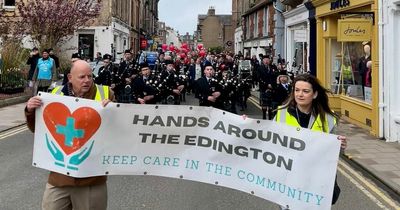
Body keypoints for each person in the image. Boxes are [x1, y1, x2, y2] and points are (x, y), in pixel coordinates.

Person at [25, 60, 114, 210]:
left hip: (91, 179)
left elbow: (117, 131)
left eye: (90, 76)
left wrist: (113, 111)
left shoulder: (105, 93)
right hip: (59, 177)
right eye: (82, 77)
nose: (87, 80)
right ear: (70, 77)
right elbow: (39, 130)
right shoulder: (54, 95)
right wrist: (30, 110)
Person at [274, 74, 347, 209]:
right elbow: (265, 141)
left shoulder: (328, 118)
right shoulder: (281, 113)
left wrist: (340, 146)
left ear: (314, 94)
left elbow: (333, 155)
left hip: (316, 182)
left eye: (305, 91)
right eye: (297, 90)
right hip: (289, 180)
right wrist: (244, 125)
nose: (300, 94)